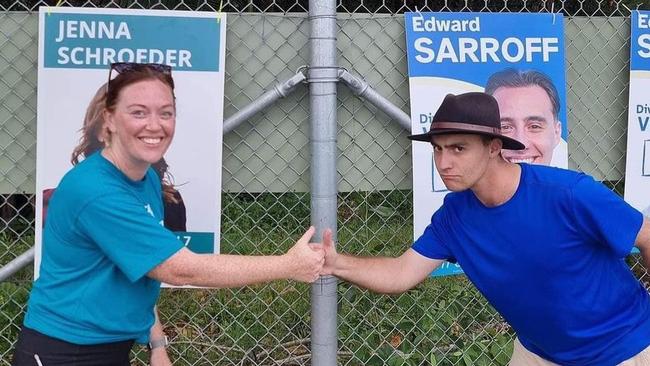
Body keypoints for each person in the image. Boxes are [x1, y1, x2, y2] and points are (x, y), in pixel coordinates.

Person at [12, 62, 325, 366]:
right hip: (63, 351)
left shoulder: (145, 177)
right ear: (109, 120)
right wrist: (288, 265)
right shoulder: (95, 191)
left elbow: (142, 267)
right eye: (138, 112)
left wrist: (158, 344)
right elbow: (180, 270)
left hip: (110, 347)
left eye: (166, 113)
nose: (154, 125)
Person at [321, 92, 650, 365]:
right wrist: (334, 262)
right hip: (540, 353)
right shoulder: (455, 215)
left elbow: (647, 237)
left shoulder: (569, 194)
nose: (444, 162)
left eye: (458, 148)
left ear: (494, 147)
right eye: (438, 148)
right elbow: (401, 273)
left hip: (623, 348)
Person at [485, 68, 565, 166]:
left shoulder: (580, 181)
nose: (521, 144)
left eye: (534, 126)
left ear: (557, 133)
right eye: (505, 127)